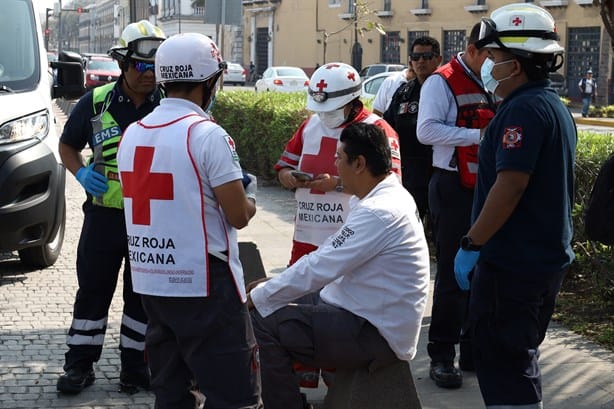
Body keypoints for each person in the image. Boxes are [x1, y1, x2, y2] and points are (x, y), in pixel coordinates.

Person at [116, 33, 261, 409]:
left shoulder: (134, 134)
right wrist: (252, 198)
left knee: (173, 395)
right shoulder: (207, 135)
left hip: (152, 281)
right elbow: (238, 215)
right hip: (205, 285)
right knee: (236, 398)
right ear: (209, 82)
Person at [249, 122, 430, 409]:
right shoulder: (389, 194)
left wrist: (261, 295)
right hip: (363, 310)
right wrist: (270, 288)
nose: (334, 165)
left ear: (359, 163)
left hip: (372, 330)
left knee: (261, 316)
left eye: (338, 158)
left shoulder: (378, 212)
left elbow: (319, 266)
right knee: (271, 297)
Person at [454, 4, 576, 408]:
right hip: (540, 261)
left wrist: (472, 244)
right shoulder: (552, 106)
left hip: (513, 265)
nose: (488, 64)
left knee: (505, 365)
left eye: (494, 57)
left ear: (516, 64)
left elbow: (511, 185)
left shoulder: (522, 110)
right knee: (520, 359)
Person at [275, 61, 402, 389]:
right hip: (308, 234)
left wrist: (339, 185)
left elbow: (392, 187)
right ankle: (302, 380)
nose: (324, 115)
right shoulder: (310, 126)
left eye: (331, 108)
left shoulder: (378, 131)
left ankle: (342, 387)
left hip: (355, 241)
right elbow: (284, 164)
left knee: (337, 312)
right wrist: (288, 177)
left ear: (353, 100)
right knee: (298, 301)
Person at [57, 20, 166, 395]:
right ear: (123, 63)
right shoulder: (95, 101)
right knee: (93, 291)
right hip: (102, 218)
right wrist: (82, 174)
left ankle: (136, 369)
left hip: (151, 221)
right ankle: (79, 366)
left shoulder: (169, 104)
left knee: (143, 297)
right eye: (142, 65)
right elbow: (67, 146)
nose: (149, 73)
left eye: (155, 66)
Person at [416, 24, 497, 389]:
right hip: (452, 187)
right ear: (471, 49)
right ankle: (442, 355)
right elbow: (426, 131)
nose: (494, 62)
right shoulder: (442, 81)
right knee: (452, 274)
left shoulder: (494, 81)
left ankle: (472, 349)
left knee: (482, 273)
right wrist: (478, 135)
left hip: (487, 185)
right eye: (488, 55)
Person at [384, 36, 443, 220]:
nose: (421, 61)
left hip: (439, 173)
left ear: (438, 59)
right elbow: (387, 127)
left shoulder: (447, 89)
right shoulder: (403, 93)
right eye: (416, 57)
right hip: (408, 173)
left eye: (427, 56)